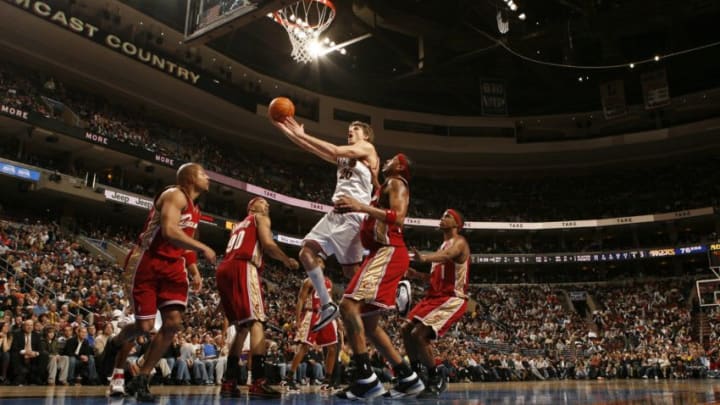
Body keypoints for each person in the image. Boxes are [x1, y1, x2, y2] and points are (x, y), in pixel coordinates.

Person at [101, 163, 216, 401]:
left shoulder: (195, 208)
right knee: (144, 327)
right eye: (203, 173)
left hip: (173, 267)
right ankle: (116, 342)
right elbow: (169, 231)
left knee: (173, 324)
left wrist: (194, 269)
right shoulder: (174, 194)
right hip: (148, 262)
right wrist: (203, 247)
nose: (208, 177)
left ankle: (142, 378)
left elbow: (185, 241)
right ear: (190, 177)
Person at [272, 118, 379, 331]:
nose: (350, 131)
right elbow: (311, 148)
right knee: (305, 253)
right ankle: (327, 304)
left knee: (351, 273)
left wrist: (302, 134)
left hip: (354, 215)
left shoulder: (368, 148)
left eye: (355, 129)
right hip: (335, 214)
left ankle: (382, 293)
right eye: (349, 128)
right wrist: (287, 130)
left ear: (366, 135)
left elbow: (335, 149)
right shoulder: (345, 157)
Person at [333, 153, 424, 400]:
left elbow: (399, 215)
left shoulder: (397, 183)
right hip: (380, 251)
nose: (386, 160)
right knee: (370, 326)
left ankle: (365, 378)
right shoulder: (384, 186)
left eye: (392, 159)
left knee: (348, 305)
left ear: (400, 166)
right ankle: (407, 377)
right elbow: (376, 183)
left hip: (388, 250)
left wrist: (360, 206)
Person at [217, 197, 300, 398]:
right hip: (244, 266)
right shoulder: (259, 218)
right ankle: (259, 381)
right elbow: (269, 245)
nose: (267, 206)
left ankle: (229, 380)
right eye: (263, 202)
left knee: (242, 327)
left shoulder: (238, 226)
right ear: (251, 206)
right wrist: (286, 259)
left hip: (224, 269)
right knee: (257, 322)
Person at [403, 208, 470, 397]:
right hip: (434, 297)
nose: (442, 218)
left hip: (451, 298)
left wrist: (424, 257)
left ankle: (435, 378)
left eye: (447, 216)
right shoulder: (441, 247)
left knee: (419, 334)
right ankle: (415, 377)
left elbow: (448, 256)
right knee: (405, 330)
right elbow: (434, 278)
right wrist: (417, 275)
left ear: (457, 224)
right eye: (441, 215)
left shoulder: (459, 243)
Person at [283, 258, 338, 392]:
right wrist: (297, 319)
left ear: (323, 265)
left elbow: (331, 301)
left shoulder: (329, 282)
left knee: (332, 347)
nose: (318, 262)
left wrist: (338, 320)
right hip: (312, 314)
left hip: (327, 314)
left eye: (320, 261)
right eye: (316, 260)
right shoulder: (308, 281)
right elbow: (300, 300)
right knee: (304, 347)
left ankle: (327, 381)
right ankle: (288, 379)